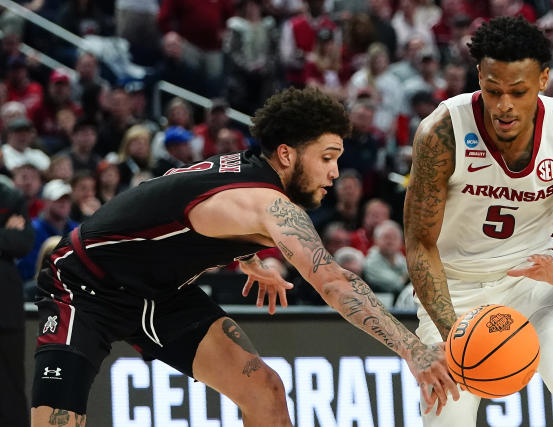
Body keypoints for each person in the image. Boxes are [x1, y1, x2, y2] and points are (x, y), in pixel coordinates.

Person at [31, 87, 458, 426]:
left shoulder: (250, 173)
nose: (335, 173)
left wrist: (247, 258)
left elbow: (188, 212)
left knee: (265, 391)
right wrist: (413, 349)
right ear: (288, 154)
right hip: (84, 284)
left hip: (160, 294)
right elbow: (334, 282)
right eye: (327, 158)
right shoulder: (268, 203)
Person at [403, 16, 553, 427]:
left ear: (543, 80)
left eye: (517, 92)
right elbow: (419, 244)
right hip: (454, 293)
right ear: (479, 78)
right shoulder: (443, 132)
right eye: (493, 90)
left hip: (534, 285)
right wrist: (455, 332)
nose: (504, 105)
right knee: (447, 421)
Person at [0, 180, 35, 427]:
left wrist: (11, 239)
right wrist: (5, 234)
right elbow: (10, 240)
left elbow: (22, 243)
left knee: (11, 384)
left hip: (6, 309)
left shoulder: (10, 197)